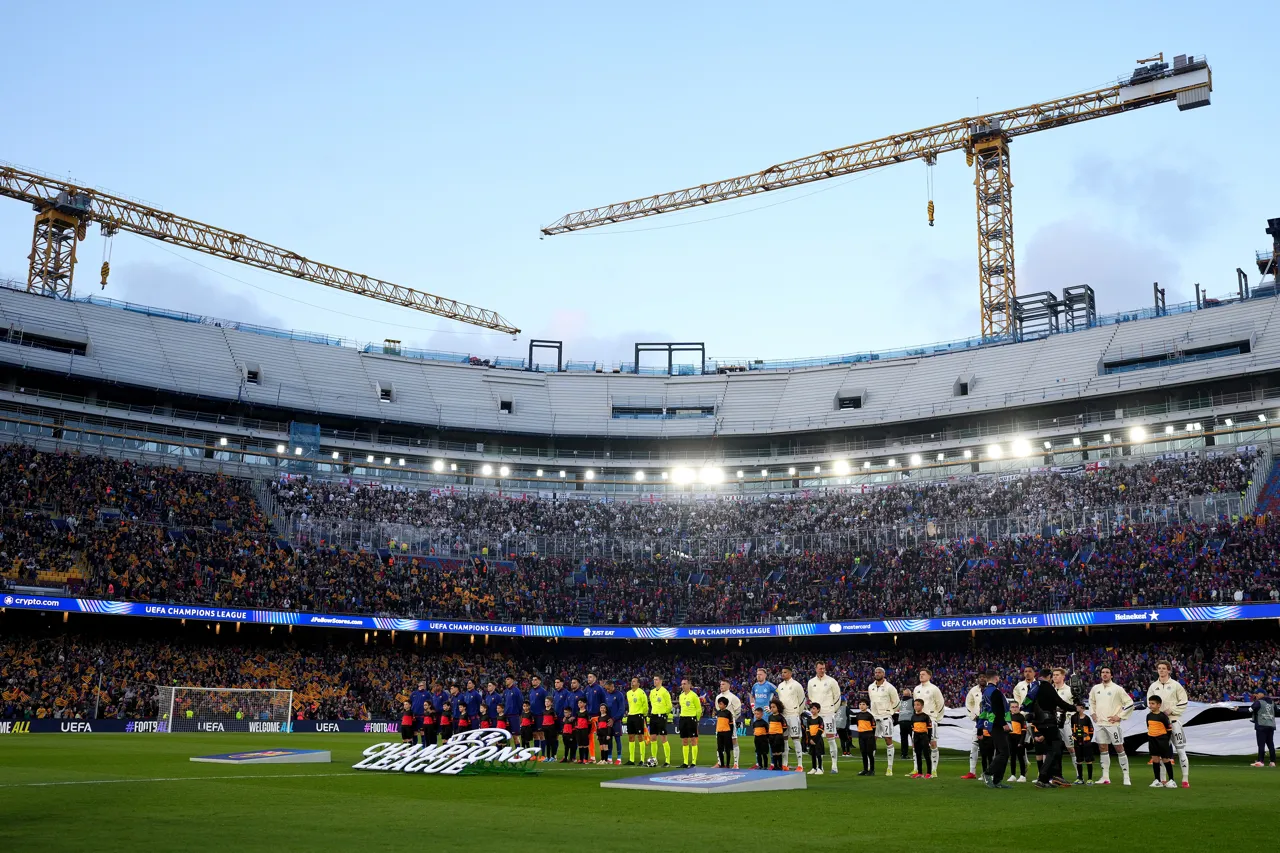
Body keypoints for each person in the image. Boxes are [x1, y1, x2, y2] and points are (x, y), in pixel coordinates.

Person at [1025, 667, 1077, 789]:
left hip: (1038, 721)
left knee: (1051, 748)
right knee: (1056, 747)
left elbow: (1028, 703)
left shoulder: (1033, 686)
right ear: (1048, 676)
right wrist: (1074, 708)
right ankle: (1043, 777)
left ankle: (1054, 776)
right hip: (1047, 720)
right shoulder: (1047, 686)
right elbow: (1058, 701)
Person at [1147, 660, 1191, 787]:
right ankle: (1162, 779)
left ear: (1169, 670)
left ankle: (1185, 779)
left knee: (1181, 750)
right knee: (1161, 752)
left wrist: (1171, 710)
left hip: (1174, 721)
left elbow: (1184, 702)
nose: (1161, 670)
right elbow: (1150, 703)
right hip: (1159, 724)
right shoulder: (1153, 687)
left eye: (1164, 668)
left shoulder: (1176, 685)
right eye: (1159, 668)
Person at [1087, 666, 1133, 785]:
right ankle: (1105, 777)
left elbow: (1130, 703)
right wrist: (1093, 714)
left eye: (1107, 672)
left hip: (1113, 724)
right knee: (1102, 748)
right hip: (1100, 724)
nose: (1105, 674)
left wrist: (1120, 716)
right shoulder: (1095, 688)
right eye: (1103, 672)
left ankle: (1126, 776)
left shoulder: (1117, 689)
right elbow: (1091, 701)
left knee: (1119, 748)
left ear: (1111, 675)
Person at [979, 669, 1012, 789]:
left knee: (1001, 752)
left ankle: (997, 781)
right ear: (996, 678)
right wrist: (1004, 723)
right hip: (998, 725)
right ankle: (988, 774)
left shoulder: (985, 692)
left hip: (992, 725)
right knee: (1004, 752)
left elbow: (983, 711)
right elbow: (997, 709)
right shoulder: (995, 692)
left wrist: (980, 727)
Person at [807, 661, 841, 774]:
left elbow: (837, 697)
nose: (822, 670)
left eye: (823, 668)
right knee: (816, 739)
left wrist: (832, 710)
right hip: (817, 715)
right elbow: (811, 698)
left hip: (828, 713)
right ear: (816, 669)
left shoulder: (831, 681)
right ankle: (817, 767)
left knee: (831, 738)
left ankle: (834, 765)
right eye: (820, 668)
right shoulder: (811, 682)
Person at [868, 666, 900, 776]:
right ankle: (870, 767)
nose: (877, 674)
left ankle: (889, 768)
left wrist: (890, 711)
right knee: (872, 741)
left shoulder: (890, 687)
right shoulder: (870, 687)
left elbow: (896, 702)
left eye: (879, 672)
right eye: (876, 672)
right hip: (874, 717)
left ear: (883, 674)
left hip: (886, 717)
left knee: (888, 740)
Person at [914, 668, 946, 778]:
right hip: (919, 721)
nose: (921, 676)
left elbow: (940, 704)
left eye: (923, 674)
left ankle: (933, 770)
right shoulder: (916, 689)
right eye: (920, 674)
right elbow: (915, 704)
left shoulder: (934, 689)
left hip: (930, 719)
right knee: (917, 745)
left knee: (932, 743)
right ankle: (917, 769)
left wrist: (936, 718)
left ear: (929, 676)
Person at [776, 666, 806, 770]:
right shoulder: (780, 686)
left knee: (795, 739)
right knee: (784, 740)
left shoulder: (796, 685)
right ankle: (785, 764)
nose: (783, 674)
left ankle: (800, 765)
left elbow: (802, 701)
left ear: (790, 673)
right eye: (782, 672)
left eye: (785, 672)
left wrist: (797, 712)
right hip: (783, 716)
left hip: (793, 715)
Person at [1051, 668, 1078, 782]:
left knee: (1071, 748)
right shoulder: (1051, 690)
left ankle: (1079, 774)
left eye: (1057, 675)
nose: (1055, 677)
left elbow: (1076, 706)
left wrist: (1068, 716)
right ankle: (1052, 775)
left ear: (1063, 677)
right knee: (1052, 749)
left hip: (1066, 722)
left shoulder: (1069, 690)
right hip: (1052, 723)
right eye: (1054, 675)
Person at [1146, 695, 1176, 788]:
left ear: (1159, 705)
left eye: (1153, 703)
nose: (1150, 705)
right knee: (1155, 759)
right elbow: (1148, 727)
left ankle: (1171, 780)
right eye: (1150, 703)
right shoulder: (1148, 716)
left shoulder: (1163, 716)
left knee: (1165, 759)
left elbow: (1169, 730)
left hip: (1162, 740)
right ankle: (1157, 780)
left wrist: (1165, 740)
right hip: (1152, 740)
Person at [714, 679, 743, 769]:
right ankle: (719, 763)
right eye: (720, 684)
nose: (721, 686)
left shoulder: (733, 697)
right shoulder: (718, 697)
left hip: (729, 722)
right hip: (720, 723)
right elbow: (717, 708)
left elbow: (738, 710)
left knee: (734, 741)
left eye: (723, 684)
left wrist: (732, 718)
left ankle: (735, 764)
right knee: (719, 743)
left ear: (728, 686)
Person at [677, 678, 703, 768]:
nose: (682, 686)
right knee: (684, 740)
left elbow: (699, 709)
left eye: (684, 684)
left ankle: (693, 762)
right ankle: (685, 762)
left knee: (693, 740)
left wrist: (697, 720)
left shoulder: (694, 696)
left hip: (691, 719)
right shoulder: (680, 696)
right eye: (682, 684)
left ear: (689, 685)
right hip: (683, 718)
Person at [649, 675, 673, 767]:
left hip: (661, 716)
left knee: (663, 738)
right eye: (654, 679)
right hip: (653, 716)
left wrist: (664, 714)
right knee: (653, 738)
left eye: (656, 680)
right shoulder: (652, 692)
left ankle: (667, 761)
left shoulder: (665, 692)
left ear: (661, 681)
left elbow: (669, 706)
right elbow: (652, 703)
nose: (655, 681)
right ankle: (654, 760)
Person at [961, 678, 983, 779]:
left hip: (989, 721)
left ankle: (987, 772)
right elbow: (968, 703)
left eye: (984, 676)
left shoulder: (993, 690)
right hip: (978, 721)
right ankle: (972, 772)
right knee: (974, 746)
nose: (982, 678)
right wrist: (973, 716)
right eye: (981, 676)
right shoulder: (974, 690)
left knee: (988, 748)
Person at [626, 676, 650, 765]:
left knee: (640, 737)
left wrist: (643, 715)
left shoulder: (642, 693)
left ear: (638, 684)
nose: (632, 683)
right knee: (631, 737)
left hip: (639, 716)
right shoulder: (628, 693)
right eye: (632, 681)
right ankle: (631, 759)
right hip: (630, 716)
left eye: (634, 681)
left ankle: (642, 759)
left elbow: (645, 705)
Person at [1070, 704, 1096, 785]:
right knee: (1079, 760)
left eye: (1078, 706)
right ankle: (1080, 778)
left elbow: (1091, 730)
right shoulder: (1073, 717)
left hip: (1086, 742)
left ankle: (1090, 779)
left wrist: (1088, 739)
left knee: (1088, 760)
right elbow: (1072, 728)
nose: (1076, 708)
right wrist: (1074, 736)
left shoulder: (1087, 718)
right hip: (1077, 741)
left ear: (1082, 708)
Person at [909, 698, 935, 778]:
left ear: (922, 706)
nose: (916, 706)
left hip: (924, 737)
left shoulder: (926, 717)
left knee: (927, 755)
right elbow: (912, 730)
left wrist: (929, 739)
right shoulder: (913, 717)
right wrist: (913, 741)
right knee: (918, 755)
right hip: (916, 737)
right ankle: (919, 772)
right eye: (915, 705)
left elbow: (930, 729)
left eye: (918, 705)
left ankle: (929, 773)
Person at [1249, 689, 1276, 767]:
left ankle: (1260, 761)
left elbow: (1249, 710)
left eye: (1257, 694)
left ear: (1262, 694)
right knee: (1270, 744)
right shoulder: (1272, 702)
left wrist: (1238, 709)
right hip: (1271, 726)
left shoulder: (1258, 702)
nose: (1256, 695)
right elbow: (1277, 710)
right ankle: (1272, 762)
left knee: (1261, 744)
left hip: (1261, 726)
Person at [603, 679, 626, 762]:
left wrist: (614, 719)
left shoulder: (619, 695)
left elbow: (621, 709)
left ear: (612, 686)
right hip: (608, 720)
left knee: (617, 739)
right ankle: (609, 757)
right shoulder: (605, 694)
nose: (607, 690)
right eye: (606, 689)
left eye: (608, 688)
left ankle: (619, 758)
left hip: (616, 721)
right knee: (609, 739)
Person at [1007, 701, 1028, 783]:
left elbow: (1024, 730)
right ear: (1009, 708)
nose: (1015, 708)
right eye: (1013, 707)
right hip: (1010, 739)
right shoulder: (1007, 717)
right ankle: (1013, 775)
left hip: (1019, 739)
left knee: (1020, 758)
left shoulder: (1021, 717)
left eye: (1016, 707)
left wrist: (1021, 741)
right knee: (1012, 757)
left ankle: (1023, 775)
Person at [854, 698, 876, 776]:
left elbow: (874, 727)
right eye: (860, 704)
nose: (861, 706)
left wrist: (871, 735)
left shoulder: (870, 716)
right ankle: (865, 769)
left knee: (869, 753)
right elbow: (858, 725)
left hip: (869, 735)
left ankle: (872, 770)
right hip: (861, 735)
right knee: (863, 753)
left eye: (863, 704)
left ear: (867, 706)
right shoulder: (858, 715)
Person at [716, 697, 735, 771]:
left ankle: (727, 764)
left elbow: (731, 724)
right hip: (719, 732)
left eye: (721, 704)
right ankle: (722, 764)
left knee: (727, 749)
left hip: (727, 732)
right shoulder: (718, 712)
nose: (719, 705)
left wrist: (731, 733)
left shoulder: (728, 713)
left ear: (725, 705)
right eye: (719, 704)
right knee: (720, 749)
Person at [806, 702, 825, 775]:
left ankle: (820, 768)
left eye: (814, 708)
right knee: (813, 754)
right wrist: (810, 739)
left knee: (818, 754)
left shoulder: (820, 719)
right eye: (811, 708)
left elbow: (820, 730)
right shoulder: (809, 719)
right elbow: (807, 730)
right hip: (811, 739)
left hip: (818, 739)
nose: (812, 710)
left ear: (818, 710)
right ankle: (814, 768)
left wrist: (814, 740)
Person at [767, 698, 787, 770]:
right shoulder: (770, 717)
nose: (772, 708)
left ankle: (780, 765)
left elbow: (785, 726)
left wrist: (779, 732)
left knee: (778, 752)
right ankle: (775, 766)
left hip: (778, 736)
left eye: (774, 707)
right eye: (771, 707)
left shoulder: (780, 717)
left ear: (778, 707)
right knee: (774, 751)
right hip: (771, 736)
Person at [897, 686, 914, 764]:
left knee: (904, 739)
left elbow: (897, 709)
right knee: (914, 738)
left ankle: (904, 754)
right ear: (910, 694)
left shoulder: (900, 701)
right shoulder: (912, 701)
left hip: (901, 721)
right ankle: (916, 753)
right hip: (910, 721)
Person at [539, 696, 557, 762]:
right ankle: (547, 756)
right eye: (545, 701)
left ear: (551, 703)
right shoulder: (543, 711)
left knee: (552, 742)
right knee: (547, 742)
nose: (546, 703)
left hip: (551, 728)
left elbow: (555, 720)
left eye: (548, 702)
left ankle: (553, 756)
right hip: (545, 727)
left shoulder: (553, 711)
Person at [574, 698, 592, 763]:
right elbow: (576, 721)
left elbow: (589, 723)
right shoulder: (577, 712)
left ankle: (586, 758)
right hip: (578, 730)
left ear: (584, 704)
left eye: (581, 702)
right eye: (578, 703)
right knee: (580, 744)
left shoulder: (587, 713)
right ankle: (581, 758)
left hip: (585, 730)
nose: (579, 704)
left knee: (585, 744)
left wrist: (588, 731)